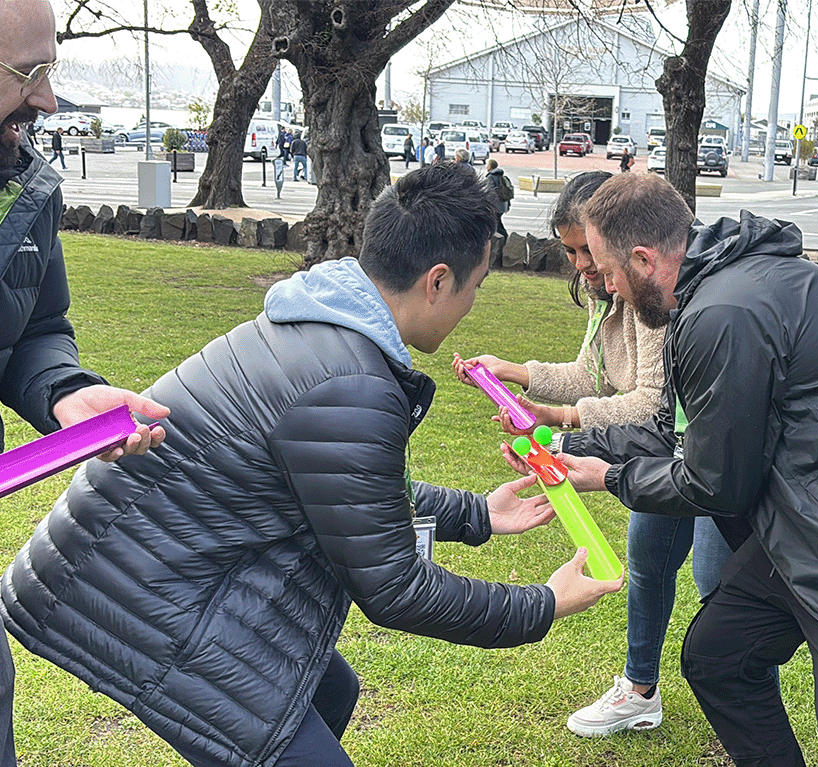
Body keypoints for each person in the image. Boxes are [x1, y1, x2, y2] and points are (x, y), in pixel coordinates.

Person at [1, 163, 621, 767]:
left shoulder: (321, 323)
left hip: (148, 567)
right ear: (437, 281)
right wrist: (544, 603)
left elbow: (348, 491)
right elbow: (396, 589)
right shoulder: (349, 382)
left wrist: (476, 512)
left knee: (330, 690)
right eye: (476, 286)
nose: (473, 304)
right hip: (131, 594)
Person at [523, 172, 818, 766]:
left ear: (644, 258)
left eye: (609, 270)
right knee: (721, 656)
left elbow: (716, 482)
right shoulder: (715, 291)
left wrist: (609, 479)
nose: (606, 286)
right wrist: (567, 449)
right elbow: (676, 428)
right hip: (816, 520)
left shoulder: (725, 313)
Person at [457, 171, 732, 738]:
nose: (583, 265)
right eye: (571, 251)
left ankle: (738, 694)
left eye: (589, 251)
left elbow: (651, 402)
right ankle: (639, 690)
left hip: (710, 451)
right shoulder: (610, 293)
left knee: (717, 581)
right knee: (649, 561)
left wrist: (559, 424)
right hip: (664, 455)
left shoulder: (653, 295)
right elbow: (594, 374)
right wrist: (522, 376)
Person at [0, 2, 170, 765]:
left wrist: (65, 392)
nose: (46, 100)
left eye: (50, 70)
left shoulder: (22, 189)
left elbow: (34, 328)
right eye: (26, 73)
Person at [483, 158, 511, 258]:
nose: (486, 166)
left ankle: (504, 240)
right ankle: (503, 240)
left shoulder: (490, 177)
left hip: (495, 206)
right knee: (497, 222)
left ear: (490, 166)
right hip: (503, 205)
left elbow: (490, 192)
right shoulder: (501, 176)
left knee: (496, 224)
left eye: (487, 164)